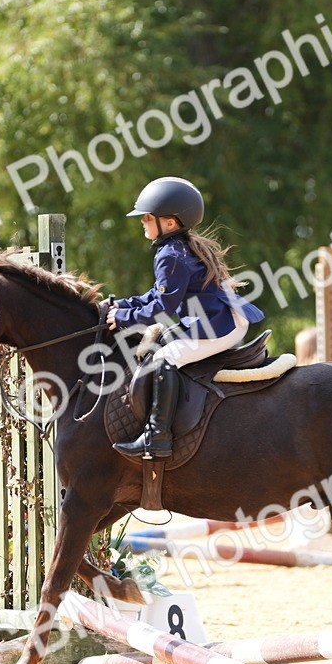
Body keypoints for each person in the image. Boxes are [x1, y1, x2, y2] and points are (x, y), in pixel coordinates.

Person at [106, 177, 264, 459]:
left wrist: (124, 318)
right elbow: (156, 295)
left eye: (147, 217)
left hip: (219, 327)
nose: (142, 221)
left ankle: (158, 436)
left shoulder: (171, 255)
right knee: (164, 342)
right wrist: (121, 305)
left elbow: (162, 309)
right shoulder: (176, 248)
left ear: (169, 223)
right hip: (215, 318)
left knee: (163, 358)